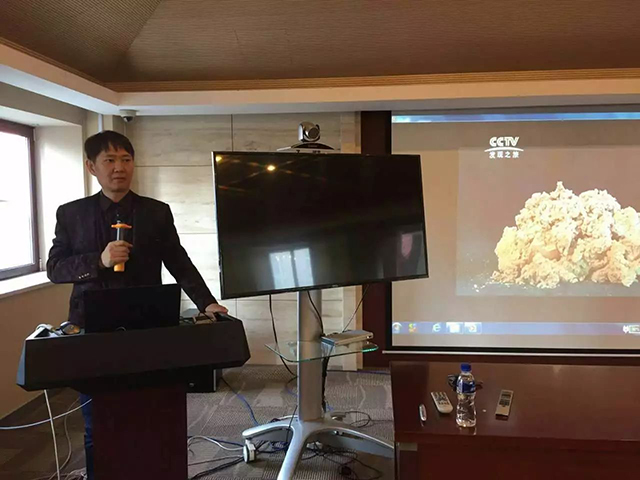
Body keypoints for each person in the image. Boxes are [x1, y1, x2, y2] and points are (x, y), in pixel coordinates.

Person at [46, 130, 227, 479]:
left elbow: (179, 262)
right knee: (98, 421)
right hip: (92, 328)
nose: (119, 168)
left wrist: (207, 303)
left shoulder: (156, 212)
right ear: (91, 166)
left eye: (126, 159)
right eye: (110, 160)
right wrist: (98, 261)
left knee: (155, 413)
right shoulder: (71, 214)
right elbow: (55, 268)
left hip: (148, 324)